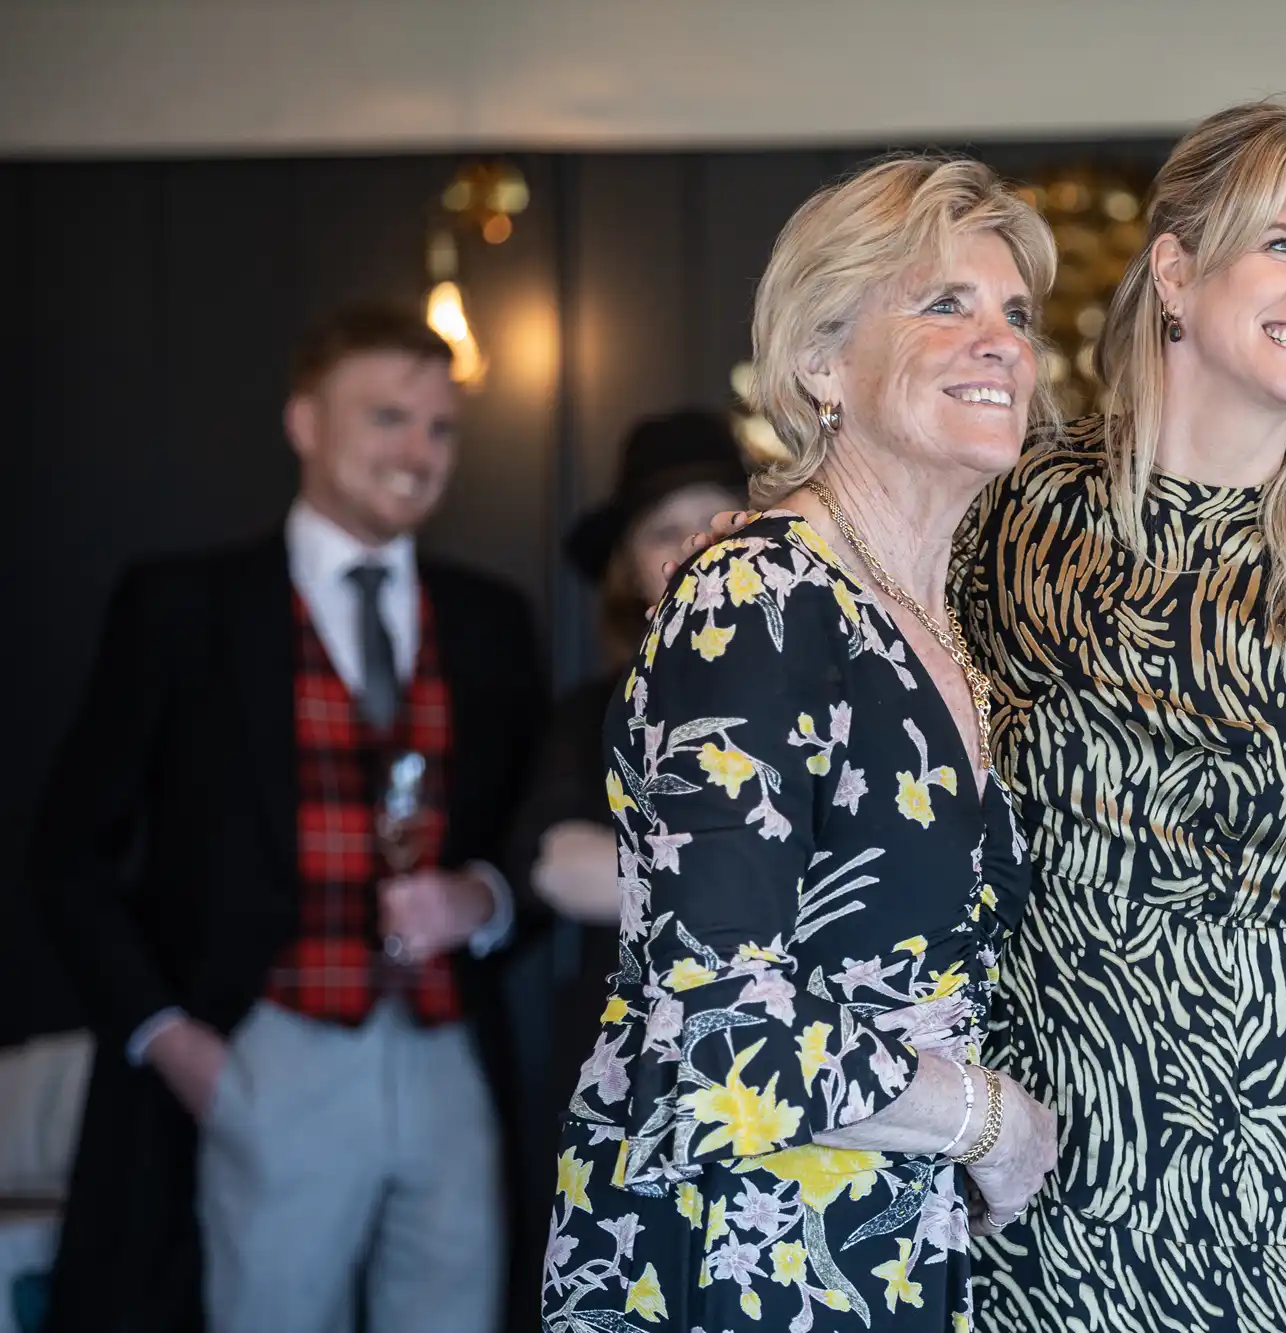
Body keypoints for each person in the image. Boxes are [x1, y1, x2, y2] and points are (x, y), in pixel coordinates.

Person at [687, 98, 1286, 1333]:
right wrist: (755, 548)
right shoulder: (1005, 507)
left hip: (1283, 1188)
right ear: (1174, 267)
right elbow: (833, 602)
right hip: (1025, 1170)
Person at [538, 156, 1060, 1332]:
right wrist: (991, 1120)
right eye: (944, 303)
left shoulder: (933, 625)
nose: (1001, 343)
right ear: (820, 361)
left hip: (879, 1235)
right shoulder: (752, 595)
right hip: (736, 1248)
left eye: (1015, 315)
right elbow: (723, 1024)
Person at [29, 301, 547, 1333]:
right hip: (267, 1048)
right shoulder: (183, 606)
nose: (417, 452)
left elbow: (534, 842)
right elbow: (66, 850)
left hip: (449, 1057)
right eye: (385, 418)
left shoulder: (492, 619)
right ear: (304, 423)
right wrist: (175, 1042)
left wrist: (480, 896)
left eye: (439, 428)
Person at [507, 409, 748, 1246]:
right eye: (664, 531)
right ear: (629, 570)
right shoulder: (597, 710)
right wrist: (756, 888)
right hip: (630, 1068)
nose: (694, 548)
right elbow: (560, 867)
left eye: (722, 523)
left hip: (795, 1078)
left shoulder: (826, 696)